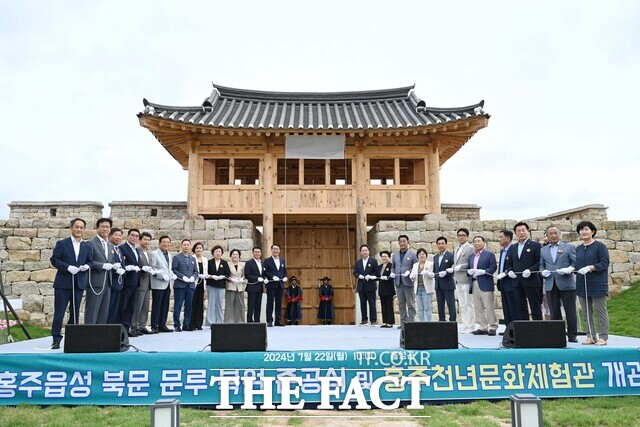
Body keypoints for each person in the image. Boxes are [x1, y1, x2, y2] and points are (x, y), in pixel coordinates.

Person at [49, 218, 93, 349]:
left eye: (81, 227)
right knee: (59, 312)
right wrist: (67, 267)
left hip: (78, 283)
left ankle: (73, 338)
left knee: (75, 313)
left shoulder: (87, 245)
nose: (79, 230)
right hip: (63, 284)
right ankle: (56, 339)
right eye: (77, 227)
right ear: (71, 228)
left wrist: (87, 266)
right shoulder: (62, 243)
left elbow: (90, 261)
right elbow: (54, 260)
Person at [539, 225, 578, 343]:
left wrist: (570, 269)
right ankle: (558, 334)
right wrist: (542, 272)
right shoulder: (543, 250)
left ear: (559, 234)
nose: (553, 235)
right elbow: (541, 265)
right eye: (551, 233)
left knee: (570, 309)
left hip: (566, 283)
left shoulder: (569, 247)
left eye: (556, 233)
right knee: (554, 311)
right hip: (551, 283)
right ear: (547, 236)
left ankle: (572, 335)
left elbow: (575, 262)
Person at [575, 220, 610, 346]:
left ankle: (603, 337)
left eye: (586, 229)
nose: (584, 232)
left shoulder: (600, 246)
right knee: (586, 312)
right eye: (581, 230)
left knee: (600, 311)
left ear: (593, 231)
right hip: (582, 284)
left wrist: (591, 267)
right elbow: (576, 265)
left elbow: (604, 263)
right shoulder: (578, 249)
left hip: (597, 283)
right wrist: (571, 269)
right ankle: (590, 335)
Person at [506, 221, 543, 320]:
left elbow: (539, 262)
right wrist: (510, 271)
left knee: (535, 306)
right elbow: (509, 263)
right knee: (520, 307)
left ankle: (539, 329)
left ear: (528, 231)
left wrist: (530, 270)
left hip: (531, 281)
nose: (521, 233)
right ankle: (524, 330)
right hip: (517, 282)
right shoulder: (513, 247)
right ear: (516, 233)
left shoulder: (536, 245)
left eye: (523, 230)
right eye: (519, 231)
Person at [85, 218, 117, 325]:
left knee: (104, 312)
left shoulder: (111, 245)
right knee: (92, 311)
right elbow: (88, 261)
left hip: (108, 282)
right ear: (97, 228)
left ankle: (100, 337)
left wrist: (115, 266)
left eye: (107, 227)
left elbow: (111, 261)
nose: (105, 229)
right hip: (95, 282)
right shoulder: (90, 243)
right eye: (102, 226)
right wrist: (102, 265)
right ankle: (88, 335)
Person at [467, 236, 498, 335]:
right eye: (475, 241)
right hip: (474, 282)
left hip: (485, 282)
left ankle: (492, 326)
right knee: (477, 306)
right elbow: (468, 268)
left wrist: (484, 271)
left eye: (479, 241)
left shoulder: (489, 254)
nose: (476, 243)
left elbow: (493, 267)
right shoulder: (471, 256)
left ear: (484, 242)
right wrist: (469, 272)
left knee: (488, 306)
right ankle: (482, 326)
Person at [117, 228, 142, 336]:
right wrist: (127, 267)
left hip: (135, 282)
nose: (134, 237)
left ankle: (127, 329)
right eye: (132, 235)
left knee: (130, 308)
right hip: (126, 282)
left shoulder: (136, 250)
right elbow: (120, 262)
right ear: (128, 236)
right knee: (123, 306)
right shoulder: (122, 248)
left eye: (137, 236)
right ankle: (120, 329)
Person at [131, 232, 155, 335]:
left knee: (145, 305)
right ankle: (134, 326)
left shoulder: (149, 254)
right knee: (138, 305)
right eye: (145, 239)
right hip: (140, 282)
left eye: (148, 240)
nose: (147, 242)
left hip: (148, 282)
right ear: (140, 240)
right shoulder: (137, 251)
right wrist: (142, 268)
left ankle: (142, 325)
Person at [172, 239, 198, 332]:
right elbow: (174, 270)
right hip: (180, 285)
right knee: (178, 305)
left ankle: (186, 324)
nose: (186, 246)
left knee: (189, 305)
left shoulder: (193, 259)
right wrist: (182, 277)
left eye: (188, 245)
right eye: (184, 245)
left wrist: (193, 277)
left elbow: (196, 271)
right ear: (181, 246)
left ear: (190, 247)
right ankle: (176, 324)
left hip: (190, 286)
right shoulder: (177, 257)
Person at [392, 235, 417, 328]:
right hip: (398, 282)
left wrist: (409, 272)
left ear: (408, 242)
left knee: (410, 303)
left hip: (408, 282)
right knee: (401, 304)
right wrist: (392, 273)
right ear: (398, 243)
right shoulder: (395, 255)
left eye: (404, 241)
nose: (402, 243)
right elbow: (393, 267)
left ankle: (410, 322)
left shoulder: (413, 254)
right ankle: (403, 323)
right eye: (400, 241)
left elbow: (416, 267)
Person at [149, 235, 174, 333]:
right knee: (157, 304)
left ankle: (162, 324)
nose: (166, 244)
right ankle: (154, 325)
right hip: (158, 283)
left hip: (168, 284)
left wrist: (171, 275)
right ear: (159, 243)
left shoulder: (169, 254)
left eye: (168, 242)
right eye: (164, 242)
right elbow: (153, 268)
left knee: (165, 305)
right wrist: (161, 276)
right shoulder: (154, 254)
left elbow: (168, 268)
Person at [453, 228, 475, 333]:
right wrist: (453, 267)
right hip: (458, 279)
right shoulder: (457, 248)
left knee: (468, 303)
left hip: (466, 279)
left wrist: (461, 266)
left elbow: (471, 263)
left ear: (467, 236)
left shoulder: (470, 248)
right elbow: (456, 262)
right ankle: (465, 324)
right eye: (459, 235)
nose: (461, 237)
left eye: (463, 235)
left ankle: (471, 325)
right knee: (462, 304)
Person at [495, 230, 517, 330]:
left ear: (508, 238)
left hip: (510, 282)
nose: (499, 239)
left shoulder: (513, 249)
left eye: (501, 237)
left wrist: (507, 272)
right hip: (503, 282)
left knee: (513, 306)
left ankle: (514, 329)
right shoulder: (503, 250)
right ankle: (508, 329)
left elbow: (515, 265)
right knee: (506, 307)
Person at [353, 244, 379, 326]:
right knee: (362, 303)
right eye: (363, 251)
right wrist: (358, 276)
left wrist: (370, 276)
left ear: (368, 251)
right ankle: (364, 319)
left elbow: (377, 272)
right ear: (361, 252)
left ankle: (373, 320)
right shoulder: (358, 262)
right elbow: (355, 272)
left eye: (366, 250)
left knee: (372, 303)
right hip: (361, 286)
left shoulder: (373, 261)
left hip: (370, 285)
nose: (364, 252)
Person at [263, 244, 288, 327]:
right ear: (271, 250)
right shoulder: (267, 261)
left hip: (280, 285)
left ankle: (278, 320)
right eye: (274, 249)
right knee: (270, 303)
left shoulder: (282, 261)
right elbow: (265, 272)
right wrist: (272, 277)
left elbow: (284, 271)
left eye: (277, 249)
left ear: (279, 250)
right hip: (271, 285)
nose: (275, 251)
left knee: (279, 303)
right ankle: (269, 321)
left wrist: (285, 277)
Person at [433, 237, 456, 323]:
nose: (441, 245)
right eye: (439, 244)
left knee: (451, 304)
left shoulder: (451, 256)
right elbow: (435, 270)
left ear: (446, 244)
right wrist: (432, 275)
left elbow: (453, 269)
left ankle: (452, 322)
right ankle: (441, 321)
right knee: (440, 305)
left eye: (442, 243)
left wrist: (447, 273)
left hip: (448, 284)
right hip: (438, 284)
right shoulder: (435, 257)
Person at [206, 245, 230, 326]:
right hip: (211, 285)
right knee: (211, 304)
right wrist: (212, 276)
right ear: (213, 253)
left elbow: (228, 273)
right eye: (216, 251)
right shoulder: (209, 262)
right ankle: (210, 322)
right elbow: (206, 273)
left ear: (222, 253)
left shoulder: (224, 263)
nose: (218, 253)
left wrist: (223, 276)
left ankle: (219, 321)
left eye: (219, 252)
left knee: (219, 304)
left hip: (221, 286)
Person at [410, 248, 435, 322]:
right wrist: (412, 276)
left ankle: (429, 323)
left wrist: (427, 273)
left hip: (426, 289)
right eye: (420, 254)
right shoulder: (415, 265)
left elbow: (433, 275)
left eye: (423, 254)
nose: (421, 256)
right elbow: (412, 276)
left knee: (427, 308)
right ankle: (421, 323)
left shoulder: (430, 264)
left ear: (426, 255)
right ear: (417, 256)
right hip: (417, 289)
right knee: (420, 308)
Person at [107, 228, 125, 323]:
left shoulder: (119, 249)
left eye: (120, 236)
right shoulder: (108, 247)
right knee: (109, 308)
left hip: (119, 283)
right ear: (110, 236)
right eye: (116, 235)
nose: (118, 237)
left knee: (114, 309)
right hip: (111, 282)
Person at [189, 242, 208, 330]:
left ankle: (199, 324)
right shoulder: (191, 258)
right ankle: (192, 324)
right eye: (197, 248)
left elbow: (206, 271)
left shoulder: (205, 260)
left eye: (200, 248)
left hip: (202, 284)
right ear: (194, 249)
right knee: (192, 303)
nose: (198, 249)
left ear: (202, 249)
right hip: (193, 283)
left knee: (200, 304)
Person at [244, 247, 266, 323]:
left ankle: (257, 321)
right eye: (255, 252)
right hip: (252, 287)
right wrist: (257, 278)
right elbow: (247, 275)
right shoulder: (249, 263)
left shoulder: (262, 263)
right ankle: (249, 320)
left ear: (261, 253)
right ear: (253, 253)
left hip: (260, 287)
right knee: (251, 305)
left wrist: (264, 279)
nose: (257, 253)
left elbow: (263, 274)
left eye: (259, 252)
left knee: (258, 305)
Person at [224, 249, 246, 323]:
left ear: (239, 256)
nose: (235, 256)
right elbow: (225, 275)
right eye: (233, 254)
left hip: (239, 286)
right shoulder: (227, 265)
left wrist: (242, 279)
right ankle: (228, 321)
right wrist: (231, 279)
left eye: (237, 254)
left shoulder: (242, 265)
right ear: (230, 256)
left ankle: (240, 321)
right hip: (231, 286)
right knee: (229, 305)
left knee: (240, 305)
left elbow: (244, 276)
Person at [377, 251, 396, 328]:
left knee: (389, 305)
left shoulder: (391, 266)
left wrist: (389, 277)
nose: (384, 258)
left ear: (389, 257)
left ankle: (390, 322)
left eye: (385, 256)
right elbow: (377, 276)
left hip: (388, 289)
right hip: (381, 289)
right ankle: (384, 321)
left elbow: (392, 277)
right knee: (383, 305)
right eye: (382, 256)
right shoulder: (380, 266)